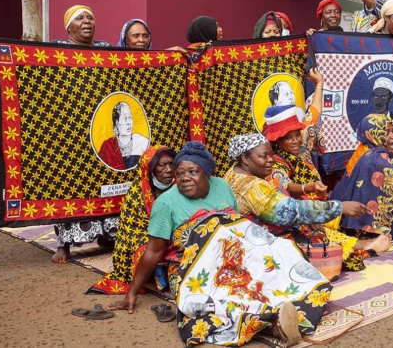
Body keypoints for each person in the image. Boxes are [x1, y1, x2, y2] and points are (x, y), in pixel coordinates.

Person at [110, 142, 328, 347]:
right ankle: (274, 326)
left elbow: (236, 226)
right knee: (223, 296)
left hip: (236, 254)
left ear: (207, 173)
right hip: (194, 266)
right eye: (180, 173)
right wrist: (132, 292)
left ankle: (279, 319)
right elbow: (153, 251)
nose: (185, 178)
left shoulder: (222, 186)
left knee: (278, 261)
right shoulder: (165, 204)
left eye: (193, 172)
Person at [263, 70, 391, 271]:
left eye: (297, 135)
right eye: (289, 138)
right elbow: (284, 184)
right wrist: (308, 187)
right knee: (312, 227)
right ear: (278, 141)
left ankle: (360, 239)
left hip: (323, 202)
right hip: (299, 212)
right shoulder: (274, 163)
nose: (296, 141)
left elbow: (314, 112)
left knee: (353, 207)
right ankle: (358, 247)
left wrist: (320, 84)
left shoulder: (302, 140)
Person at [224, 134, 388, 270]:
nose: (271, 160)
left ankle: (356, 244)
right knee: (314, 237)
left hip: (256, 233)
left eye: (270, 154)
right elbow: (288, 211)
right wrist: (340, 207)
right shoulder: (252, 186)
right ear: (245, 158)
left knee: (312, 224)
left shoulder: (234, 172)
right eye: (263, 156)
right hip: (262, 245)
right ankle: (356, 248)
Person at [88, 146, 176, 295]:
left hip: (173, 233)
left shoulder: (178, 187)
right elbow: (132, 228)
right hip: (146, 236)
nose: (168, 169)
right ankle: (150, 278)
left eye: (171, 164)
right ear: (150, 168)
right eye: (162, 165)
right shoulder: (137, 191)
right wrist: (159, 237)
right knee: (147, 249)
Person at [97, 101, 150, 170]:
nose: (128, 122)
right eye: (125, 118)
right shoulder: (107, 147)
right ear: (117, 122)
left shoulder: (142, 142)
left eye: (130, 117)